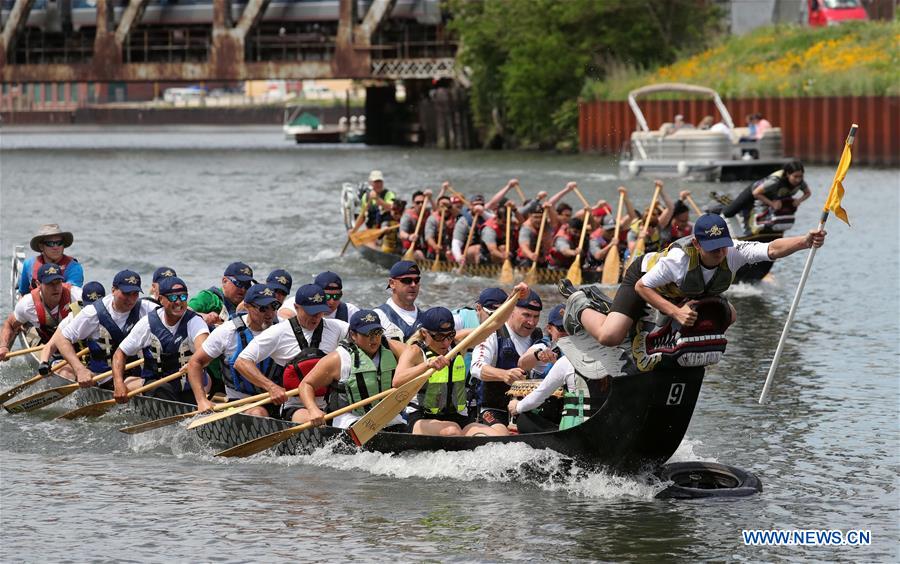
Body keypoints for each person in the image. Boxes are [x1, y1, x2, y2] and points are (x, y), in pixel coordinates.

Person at [569, 214, 827, 347]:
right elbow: (642, 286)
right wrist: (675, 313)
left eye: (723, 246)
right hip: (645, 279)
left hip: (685, 291)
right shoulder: (679, 259)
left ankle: (671, 336)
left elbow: (772, 248)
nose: (720, 252)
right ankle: (581, 305)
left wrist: (804, 241)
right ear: (696, 243)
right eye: (712, 247)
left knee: (729, 315)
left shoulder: (734, 250)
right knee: (610, 337)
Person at [236, 284, 349, 423]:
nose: (316, 317)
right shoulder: (278, 332)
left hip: (332, 403)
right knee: (313, 422)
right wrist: (271, 387)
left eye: (320, 311)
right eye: (311, 312)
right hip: (296, 406)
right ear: (296, 307)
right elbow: (242, 362)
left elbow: (365, 336)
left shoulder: (337, 327)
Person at [393, 307, 506, 437]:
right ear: (424, 333)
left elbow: (496, 324)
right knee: (452, 431)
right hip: (422, 418)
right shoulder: (415, 352)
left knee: (497, 436)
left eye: (450, 335)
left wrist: (514, 298)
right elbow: (397, 381)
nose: (446, 342)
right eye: (439, 336)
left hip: (457, 417)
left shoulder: (458, 345)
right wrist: (427, 365)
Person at [299, 310, 408, 431]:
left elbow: (414, 351)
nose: (374, 339)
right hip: (349, 419)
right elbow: (306, 384)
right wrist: (313, 409)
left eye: (377, 332)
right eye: (367, 334)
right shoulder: (338, 359)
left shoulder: (392, 350)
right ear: (353, 335)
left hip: (387, 417)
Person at [188, 284, 282, 416]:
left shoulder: (284, 329)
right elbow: (195, 363)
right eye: (263, 308)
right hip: (240, 402)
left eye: (274, 307)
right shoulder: (227, 331)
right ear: (248, 306)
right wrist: (202, 400)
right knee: (258, 413)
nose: (270, 314)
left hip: (280, 399)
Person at [112, 276, 209, 403]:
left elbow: (205, 351)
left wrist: (196, 362)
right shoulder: (147, 323)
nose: (179, 302)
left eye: (183, 297)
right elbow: (120, 353)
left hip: (188, 386)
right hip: (156, 386)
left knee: (206, 379)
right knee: (160, 388)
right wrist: (118, 383)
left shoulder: (195, 322)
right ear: (161, 299)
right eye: (173, 297)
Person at [57, 270, 156, 389]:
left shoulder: (147, 309)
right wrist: (80, 370)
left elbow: (175, 316)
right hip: (101, 380)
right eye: (126, 293)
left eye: (135, 293)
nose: (131, 299)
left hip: (133, 378)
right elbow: (62, 339)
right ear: (113, 290)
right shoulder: (93, 313)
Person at [470, 289, 544, 431]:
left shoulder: (538, 337)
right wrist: (503, 375)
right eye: (526, 315)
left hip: (524, 409)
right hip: (492, 408)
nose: (531, 322)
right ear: (511, 311)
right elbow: (476, 367)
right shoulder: (491, 332)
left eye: (536, 316)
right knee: (502, 434)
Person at [0, 263, 83, 361]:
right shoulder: (27, 304)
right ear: (38, 284)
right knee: (64, 371)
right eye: (50, 283)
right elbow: (9, 324)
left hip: (73, 341)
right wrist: (4, 347)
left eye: (58, 282)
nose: (55, 287)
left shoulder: (77, 295)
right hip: (44, 343)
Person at [508, 354, 609, 433]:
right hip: (610, 429)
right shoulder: (618, 358)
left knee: (524, 420)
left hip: (575, 434)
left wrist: (517, 406)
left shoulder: (567, 361)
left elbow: (538, 396)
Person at [722, 160, 812, 234]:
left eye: (800, 176)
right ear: (788, 174)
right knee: (728, 213)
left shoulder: (800, 182)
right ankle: (721, 208)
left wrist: (799, 201)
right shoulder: (774, 181)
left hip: (771, 197)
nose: (798, 179)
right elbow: (756, 193)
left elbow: (807, 193)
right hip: (754, 192)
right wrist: (772, 204)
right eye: (795, 176)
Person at [18, 224, 84, 295]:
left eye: (59, 243)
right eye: (50, 243)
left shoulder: (74, 267)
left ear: (63, 245)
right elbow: (23, 293)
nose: (55, 247)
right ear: (41, 247)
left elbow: (73, 293)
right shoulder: (29, 264)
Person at [375, 260, 426, 341]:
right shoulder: (378, 317)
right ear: (392, 283)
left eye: (416, 280)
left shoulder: (426, 318)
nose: (413, 285)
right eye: (407, 280)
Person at [518, 303, 567, 379]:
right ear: (549, 328)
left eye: (570, 328)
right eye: (562, 328)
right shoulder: (542, 346)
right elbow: (522, 364)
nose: (567, 333)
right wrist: (538, 355)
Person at [480, 200, 518, 265]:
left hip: (509, 254)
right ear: (497, 218)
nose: (506, 225)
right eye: (504, 222)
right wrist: (503, 256)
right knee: (503, 248)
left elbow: (523, 223)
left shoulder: (510, 223)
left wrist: (515, 209)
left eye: (508, 222)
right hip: (490, 256)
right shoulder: (489, 230)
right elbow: (493, 250)